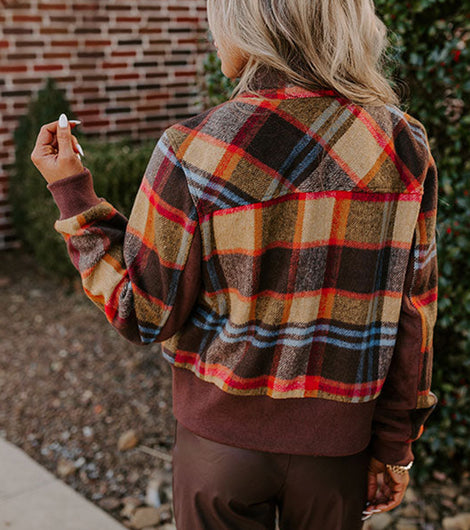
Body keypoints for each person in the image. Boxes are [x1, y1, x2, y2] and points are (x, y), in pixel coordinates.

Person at [31, 0, 439, 528]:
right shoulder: (404, 145)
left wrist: (73, 193)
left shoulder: (194, 147)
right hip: (337, 450)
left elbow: (144, 311)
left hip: (218, 452)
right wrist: (393, 444)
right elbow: (415, 314)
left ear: (250, 27)